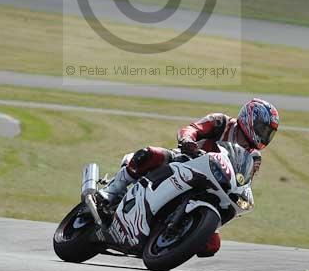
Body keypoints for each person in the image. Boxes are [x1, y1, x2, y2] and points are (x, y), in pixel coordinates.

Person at [99, 98, 280, 256]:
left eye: (268, 133)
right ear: (250, 118)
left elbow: (245, 180)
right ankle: (112, 190)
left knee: (211, 245)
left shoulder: (254, 157)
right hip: (187, 160)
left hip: (215, 184)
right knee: (150, 154)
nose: (264, 135)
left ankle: (175, 236)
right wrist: (187, 141)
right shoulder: (221, 122)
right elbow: (192, 129)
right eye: (263, 128)